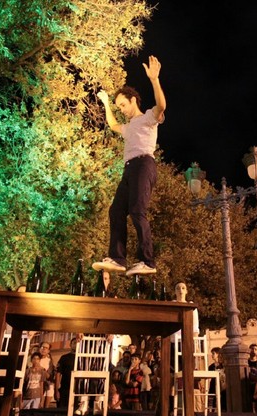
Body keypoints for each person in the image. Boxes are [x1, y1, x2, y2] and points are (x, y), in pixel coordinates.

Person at [92, 55, 166, 277]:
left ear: (133, 100)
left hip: (144, 165)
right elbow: (113, 124)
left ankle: (147, 261)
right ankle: (117, 258)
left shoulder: (148, 119)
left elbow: (161, 105)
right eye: (119, 106)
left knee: (137, 211)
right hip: (129, 168)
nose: (122, 109)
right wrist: (106, 103)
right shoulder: (129, 126)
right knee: (116, 210)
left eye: (123, 104)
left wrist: (154, 80)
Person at [55, 336, 77, 408]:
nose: (76, 344)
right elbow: (58, 374)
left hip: (77, 390)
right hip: (65, 390)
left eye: (78, 343)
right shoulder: (64, 357)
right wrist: (56, 390)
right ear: (70, 345)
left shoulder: (83, 359)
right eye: (74, 343)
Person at [38, 341, 55, 408]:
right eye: (42, 347)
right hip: (37, 384)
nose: (44, 349)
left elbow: (50, 376)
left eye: (46, 348)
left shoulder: (49, 361)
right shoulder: (34, 358)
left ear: (48, 350)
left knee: (46, 406)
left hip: (47, 383)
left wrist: (43, 370)